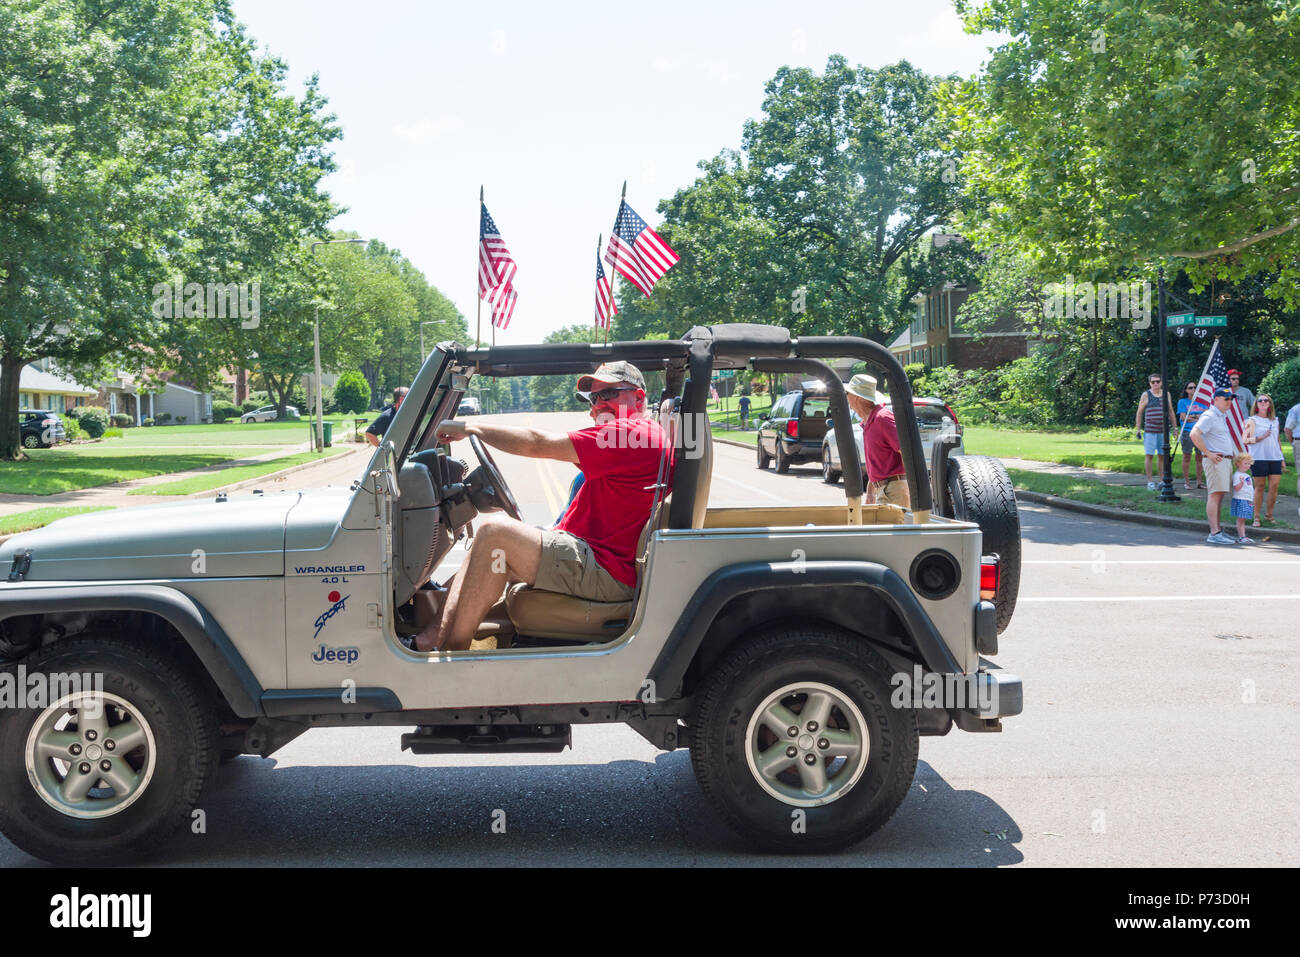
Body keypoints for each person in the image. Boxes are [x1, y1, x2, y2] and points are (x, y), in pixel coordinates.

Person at [413, 362, 671, 652]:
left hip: (607, 569)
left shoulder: (634, 436)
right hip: (593, 556)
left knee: (494, 532)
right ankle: (429, 639)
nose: (598, 405)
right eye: (593, 398)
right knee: (489, 546)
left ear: (638, 398)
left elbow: (539, 443)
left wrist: (470, 426)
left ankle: (450, 652)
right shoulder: (631, 440)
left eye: (608, 394)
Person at [844, 373, 909, 509]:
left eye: (847, 394)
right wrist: (870, 493)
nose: (847, 399)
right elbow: (877, 465)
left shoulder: (882, 418)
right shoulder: (869, 422)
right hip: (884, 489)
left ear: (856, 397)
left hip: (894, 490)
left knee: (897, 529)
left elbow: (907, 451)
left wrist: (911, 488)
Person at [1189, 387, 1240, 545]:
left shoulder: (1220, 416)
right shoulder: (1210, 415)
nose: (1229, 402)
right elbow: (1194, 434)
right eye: (1226, 399)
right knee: (1214, 495)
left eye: (1231, 399)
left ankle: (1217, 530)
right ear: (1216, 399)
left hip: (1223, 460)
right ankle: (1214, 533)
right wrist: (1208, 453)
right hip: (1215, 460)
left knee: (1219, 496)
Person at [1244, 394, 1285, 526]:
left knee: (1274, 486)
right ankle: (1256, 517)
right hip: (1258, 457)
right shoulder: (1252, 420)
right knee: (1260, 487)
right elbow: (1245, 440)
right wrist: (1261, 437)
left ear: (1269, 404)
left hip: (1274, 457)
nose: (1262, 402)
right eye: (1260, 400)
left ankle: (1269, 515)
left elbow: (1277, 440)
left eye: (1265, 400)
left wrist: (1282, 458)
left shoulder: (1275, 420)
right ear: (1256, 404)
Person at [1134, 373, 1175, 490]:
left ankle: (1162, 481)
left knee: (1162, 456)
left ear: (1161, 382)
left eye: (1158, 381)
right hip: (1150, 430)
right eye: (1153, 382)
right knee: (1149, 455)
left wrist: (1175, 428)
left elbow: (1171, 411)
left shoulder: (1166, 394)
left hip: (1164, 431)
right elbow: (1139, 412)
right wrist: (1138, 428)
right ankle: (1150, 481)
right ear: (1150, 383)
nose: (1156, 384)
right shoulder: (1146, 395)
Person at [1176, 381, 1207, 490]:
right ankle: (1187, 482)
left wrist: (1192, 416)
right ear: (1186, 390)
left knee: (1200, 457)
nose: (1193, 389)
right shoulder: (1182, 402)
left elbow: (1206, 417)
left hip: (1200, 432)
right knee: (1187, 456)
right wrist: (1198, 416)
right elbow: (1184, 418)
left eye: (1195, 387)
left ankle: (1199, 482)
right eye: (1190, 388)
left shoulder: (1203, 402)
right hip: (1187, 432)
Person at [1229, 452, 1255, 543]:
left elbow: (1250, 488)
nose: (1247, 465)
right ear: (1238, 463)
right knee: (1241, 519)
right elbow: (1236, 488)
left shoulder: (1247, 475)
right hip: (1241, 499)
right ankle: (1241, 536)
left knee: (1243, 519)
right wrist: (1241, 482)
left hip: (1247, 499)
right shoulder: (1237, 475)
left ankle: (1243, 536)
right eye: (1245, 463)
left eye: (1249, 464)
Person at [1286, 399, 1300, 510]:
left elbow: (1287, 430)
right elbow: (1287, 429)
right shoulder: (1296, 409)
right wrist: (1294, 443)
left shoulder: (1296, 409)